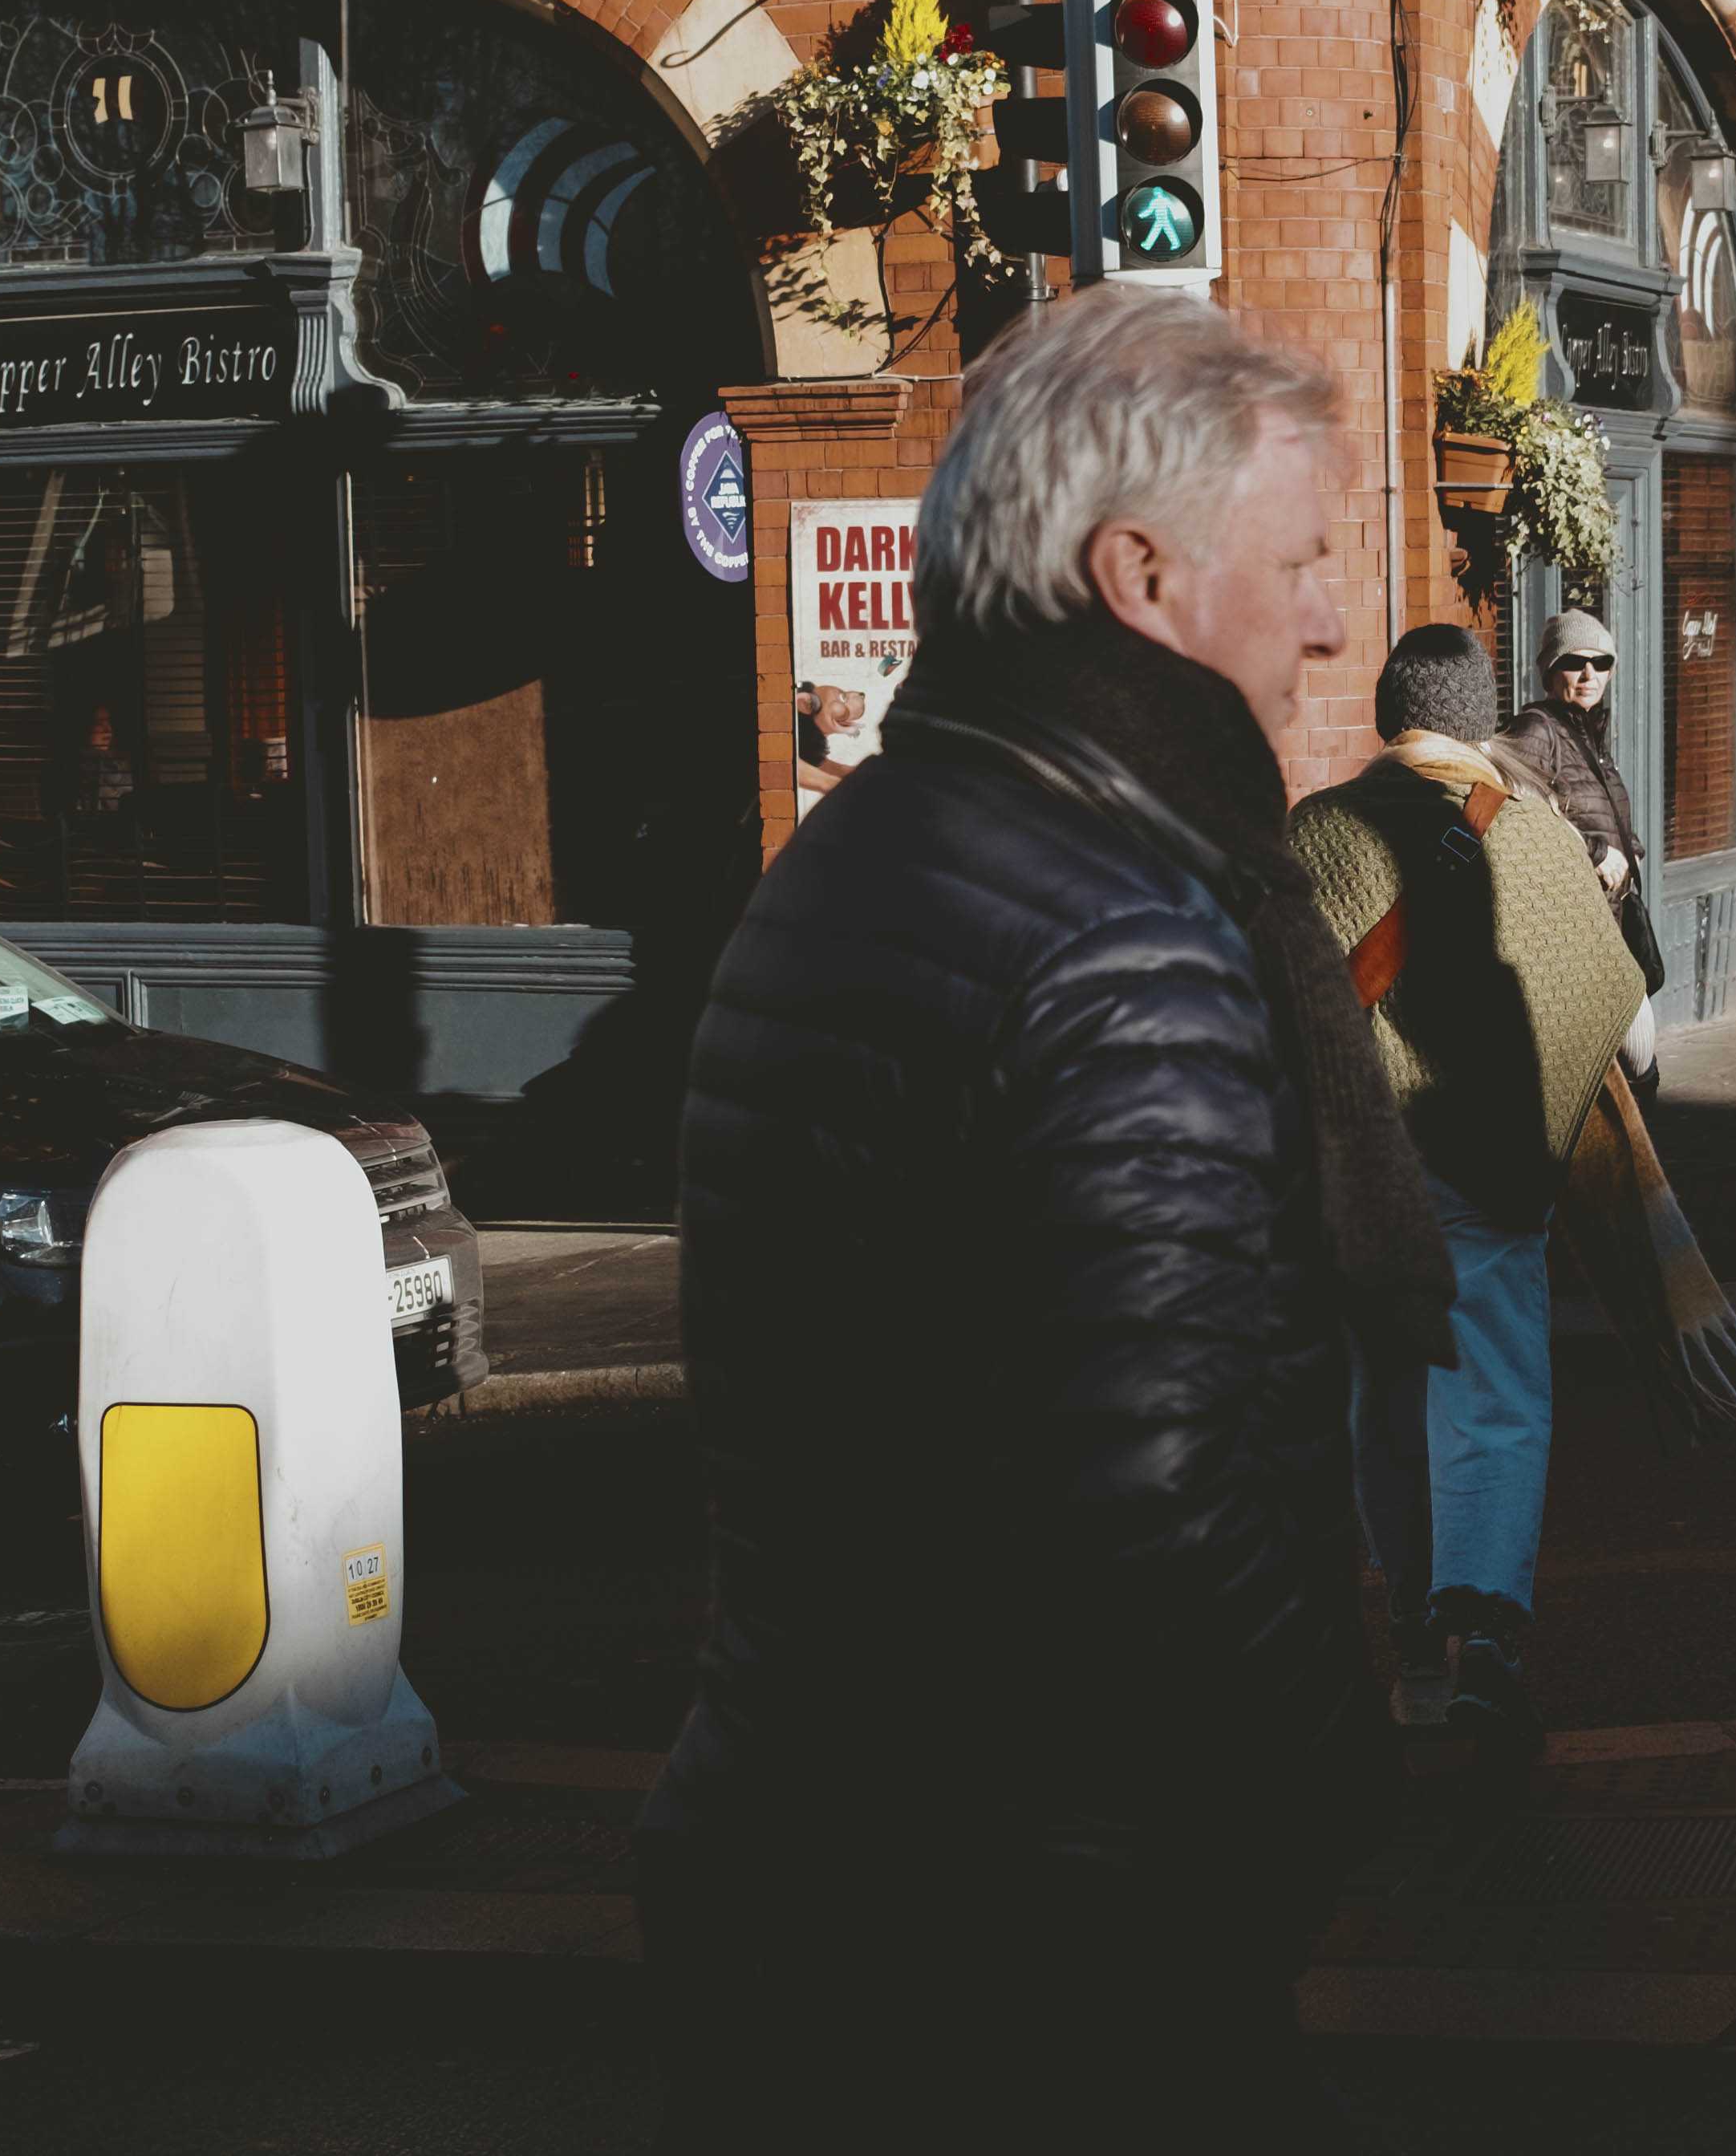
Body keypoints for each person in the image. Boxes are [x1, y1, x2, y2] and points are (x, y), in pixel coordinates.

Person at [640, 289, 1453, 2142]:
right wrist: (1326, 1790)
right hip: (1046, 1950)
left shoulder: (862, 849)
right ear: (1142, 575)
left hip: (813, 1860)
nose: (1335, 622)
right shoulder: (1124, 934)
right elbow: (1161, 1509)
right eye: (1307, 561)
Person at [1292, 625, 1649, 1738]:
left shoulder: (1320, 830)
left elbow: (1276, 1000)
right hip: (1491, 1169)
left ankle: (1409, 1628)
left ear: (1387, 715)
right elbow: (1616, 1007)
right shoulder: (1535, 830)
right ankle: (1482, 1627)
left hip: (1360, 1171)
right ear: (1478, 716)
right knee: (1491, 1388)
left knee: (1382, 1398)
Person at [1495, 607, 1668, 1078]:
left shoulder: (1586, 733)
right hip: (1573, 924)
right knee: (1635, 1056)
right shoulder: (1536, 729)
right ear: (1550, 671)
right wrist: (1595, 852)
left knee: (1619, 1061)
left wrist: (1628, 847)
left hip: (1608, 916)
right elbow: (1509, 814)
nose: (1590, 674)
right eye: (1575, 662)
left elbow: (1587, 808)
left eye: (1602, 662)